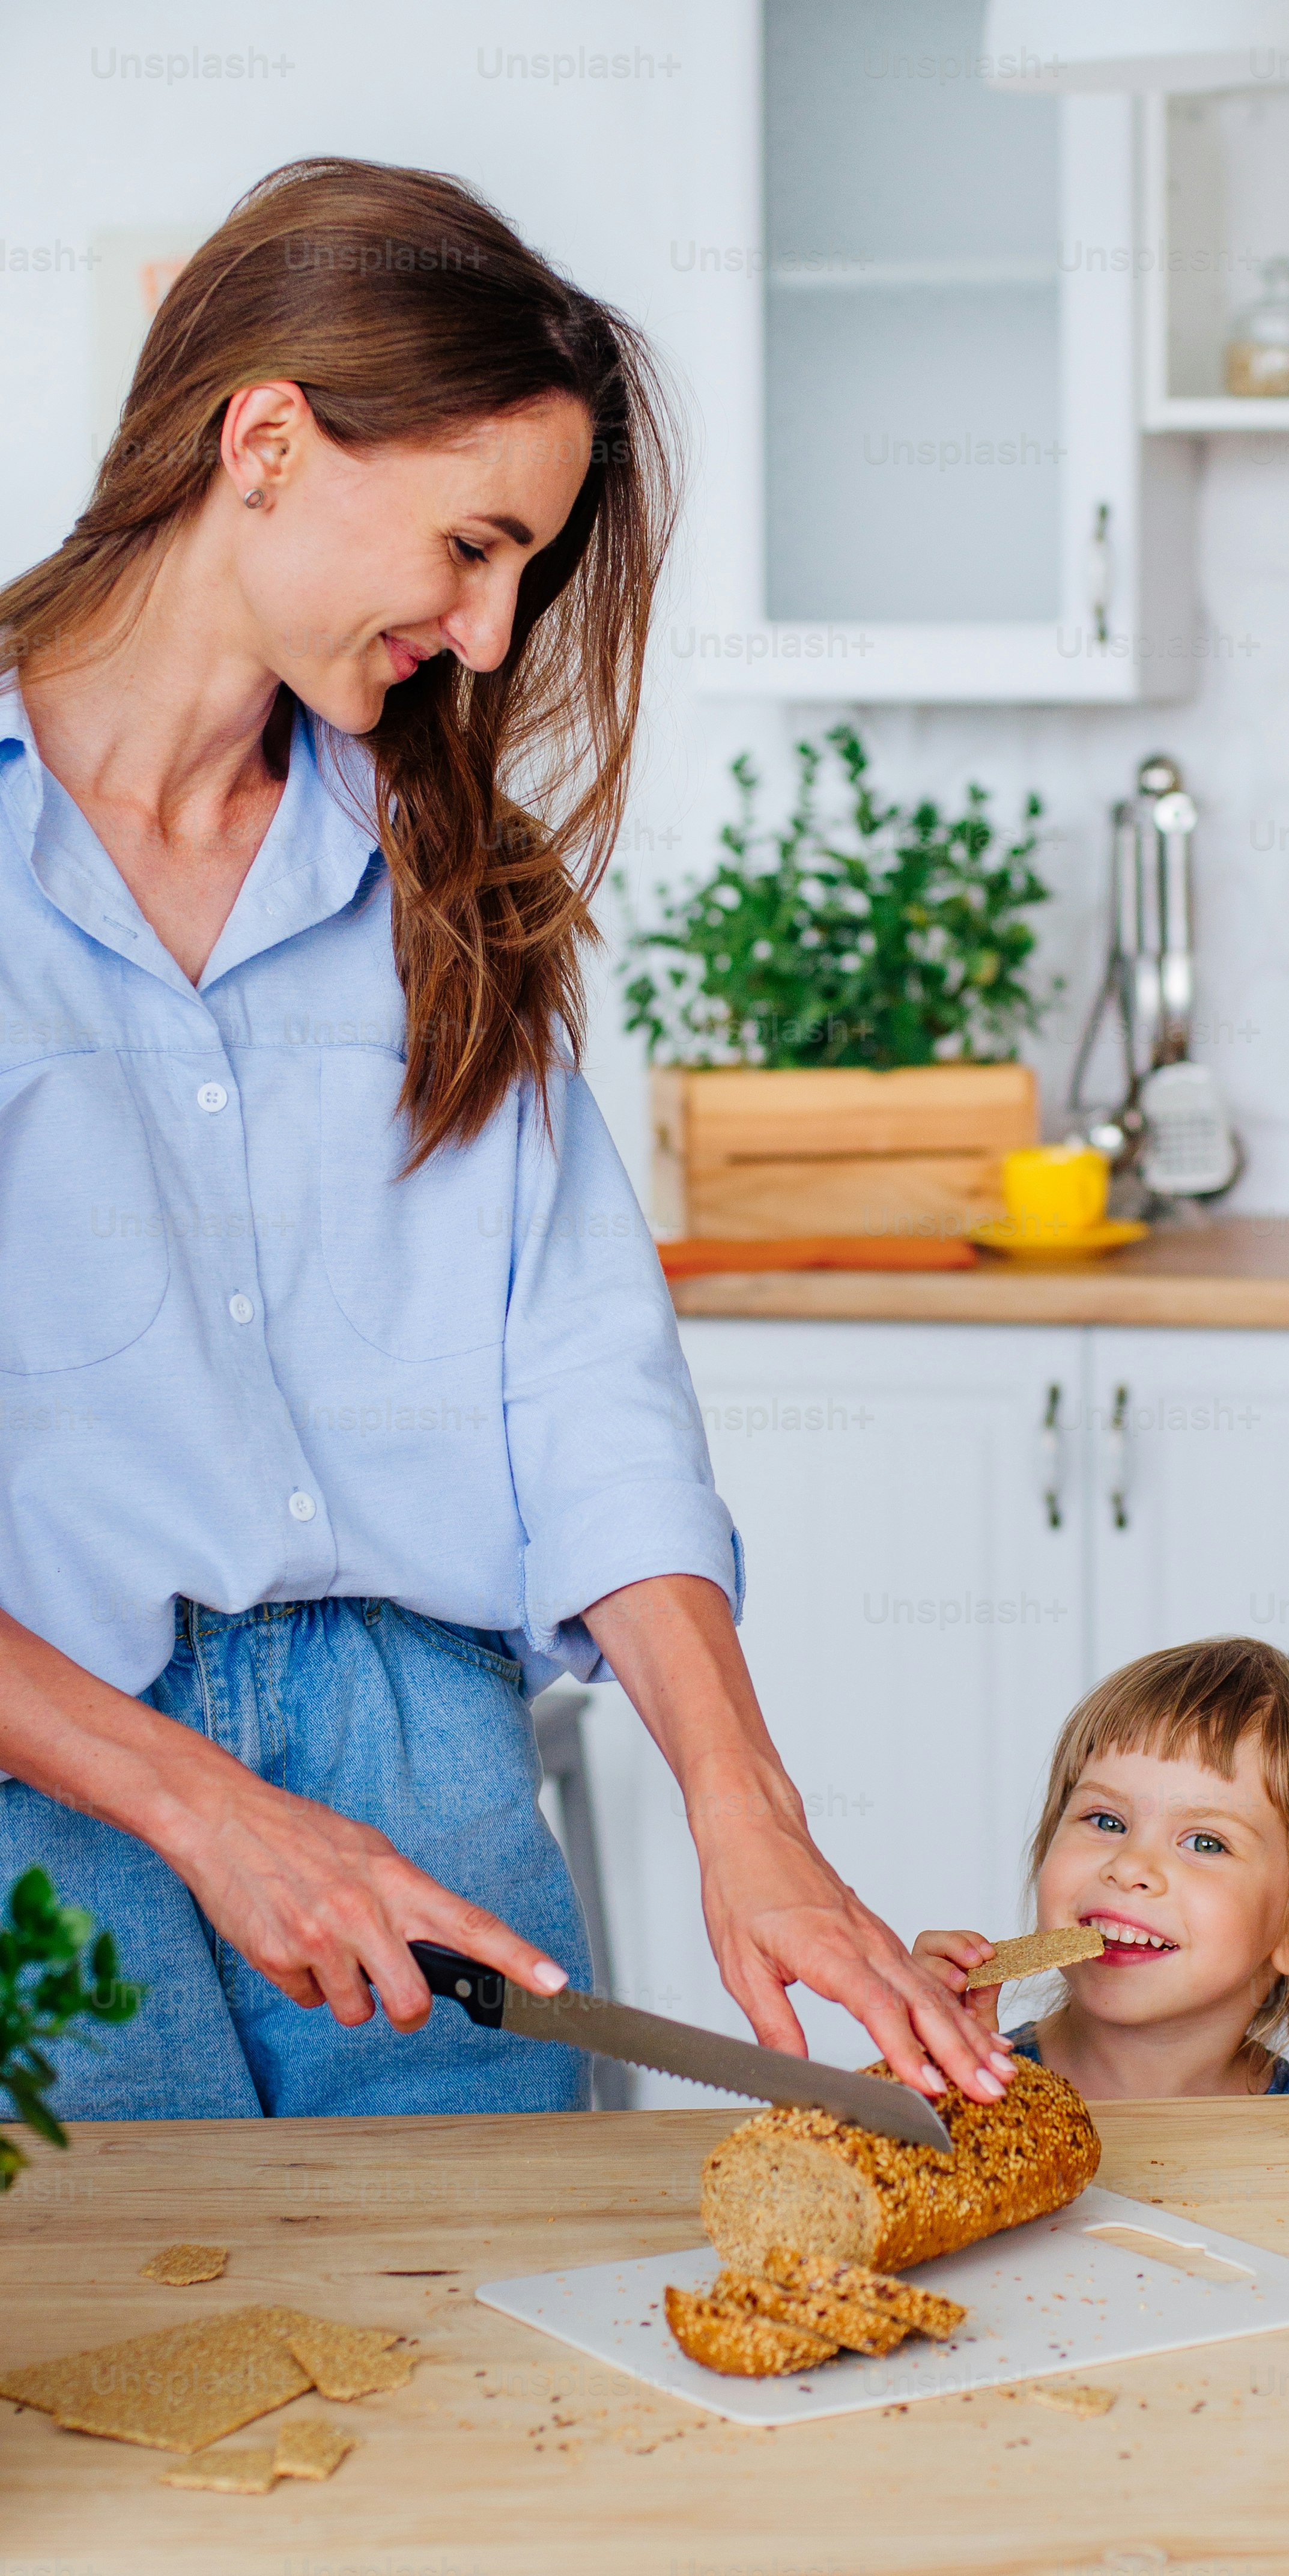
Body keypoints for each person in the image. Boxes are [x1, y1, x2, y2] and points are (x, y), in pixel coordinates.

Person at [0, 157, 1010, 2122]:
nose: (486, 635)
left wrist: (747, 1808)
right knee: (116, 2384)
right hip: (51, 1772)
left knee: (494, 2363)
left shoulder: (444, 884)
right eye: (472, 544)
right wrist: (201, 1802)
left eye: (521, 571)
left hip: (429, 1751)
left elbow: (573, 1372)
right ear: (267, 439)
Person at [914, 1638, 1289, 2098]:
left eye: (1206, 1842)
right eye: (1106, 1820)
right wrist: (931, 2088)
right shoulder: (965, 2082)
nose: (1129, 1867)